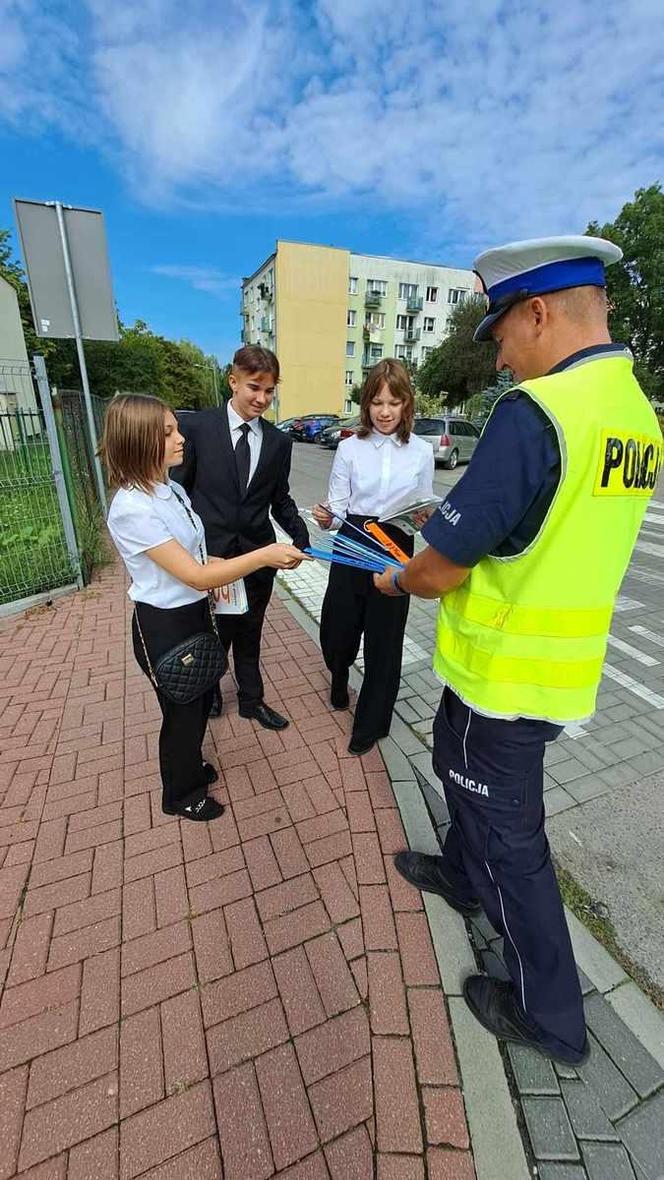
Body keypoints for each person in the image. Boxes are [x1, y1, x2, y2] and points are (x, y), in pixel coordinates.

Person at [374, 236, 663, 1064]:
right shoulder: (634, 413)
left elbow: (439, 572)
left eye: (499, 334)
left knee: (514, 843)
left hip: (502, 675)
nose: (499, 359)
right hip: (554, 674)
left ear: (538, 312)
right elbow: (549, 528)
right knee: (464, 782)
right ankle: (463, 878)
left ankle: (551, 1018)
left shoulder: (539, 411)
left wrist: (399, 579)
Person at [101, 393, 307, 821]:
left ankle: (189, 768)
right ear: (139, 442)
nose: (181, 440)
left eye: (176, 429)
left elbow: (195, 557)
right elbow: (193, 576)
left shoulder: (168, 488)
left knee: (194, 706)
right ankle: (180, 794)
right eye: (168, 433)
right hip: (165, 624)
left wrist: (222, 563)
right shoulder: (131, 508)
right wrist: (264, 555)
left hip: (194, 613)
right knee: (181, 714)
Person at [172, 346, 310, 730]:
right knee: (213, 634)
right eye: (254, 388)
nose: (262, 399)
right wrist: (189, 557)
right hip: (210, 563)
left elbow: (279, 498)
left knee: (250, 633)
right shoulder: (198, 429)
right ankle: (212, 691)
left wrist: (302, 539)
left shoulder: (279, 442)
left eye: (270, 391)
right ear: (232, 381)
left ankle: (252, 701)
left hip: (257, 559)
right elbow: (179, 495)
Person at [314, 359, 434, 756]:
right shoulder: (349, 447)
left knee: (385, 642)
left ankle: (371, 724)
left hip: (397, 546)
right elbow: (337, 508)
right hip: (353, 541)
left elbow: (423, 508)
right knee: (338, 627)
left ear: (406, 405)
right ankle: (338, 671)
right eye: (377, 402)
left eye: (394, 403)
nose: (385, 412)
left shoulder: (421, 451)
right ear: (366, 404)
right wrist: (326, 517)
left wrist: (422, 520)